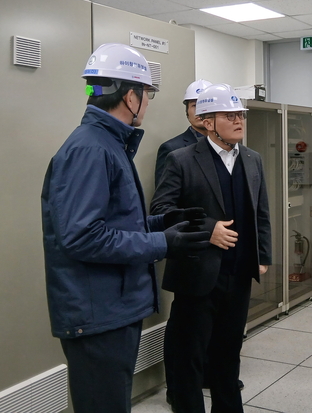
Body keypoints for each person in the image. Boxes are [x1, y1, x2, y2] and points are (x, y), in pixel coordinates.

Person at [41, 43, 211, 413]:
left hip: (111, 309)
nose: (147, 102)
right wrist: (162, 243)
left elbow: (114, 223)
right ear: (131, 97)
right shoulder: (91, 149)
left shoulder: (108, 144)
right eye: (147, 94)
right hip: (99, 315)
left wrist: (164, 222)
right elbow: (82, 237)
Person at [150, 83, 272, 413]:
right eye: (229, 116)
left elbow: (261, 211)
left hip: (239, 273)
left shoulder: (253, 159)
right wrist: (208, 229)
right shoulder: (181, 159)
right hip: (197, 275)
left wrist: (262, 255)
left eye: (240, 114)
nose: (239, 121)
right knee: (189, 358)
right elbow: (161, 211)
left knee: (228, 354)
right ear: (207, 122)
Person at [154, 79, 211, 186]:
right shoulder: (171, 148)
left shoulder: (225, 146)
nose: (200, 110)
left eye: (205, 104)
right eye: (194, 105)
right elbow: (165, 193)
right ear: (187, 111)